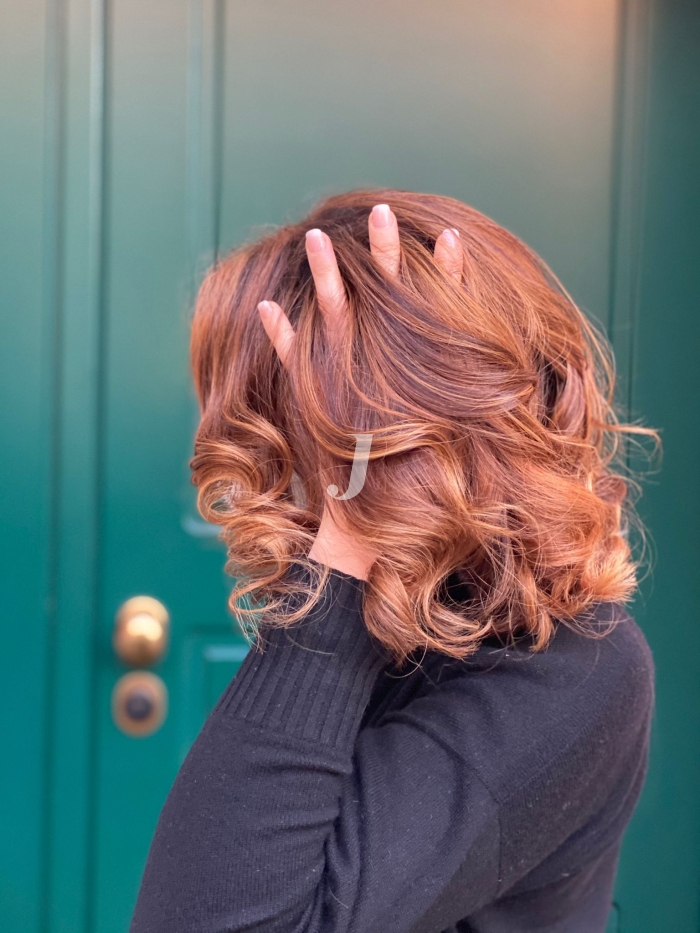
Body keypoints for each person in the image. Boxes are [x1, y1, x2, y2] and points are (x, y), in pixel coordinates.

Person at [129, 191, 656, 933]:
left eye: (307, 434)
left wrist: (353, 532)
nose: (288, 481)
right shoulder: (401, 609)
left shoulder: (573, 667)